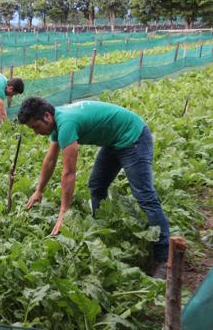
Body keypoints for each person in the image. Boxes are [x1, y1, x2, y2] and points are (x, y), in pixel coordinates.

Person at [17, 97, 170, 279]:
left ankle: (164, 259)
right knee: (96, 185)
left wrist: (63, 212)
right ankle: (101, 228)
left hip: (133, 137)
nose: (35, 132)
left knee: (144, 196)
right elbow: (50, 160)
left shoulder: (66, 123)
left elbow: (69, 172)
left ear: (47, 116)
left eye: (35, 127)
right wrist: (38, 190)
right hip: (113, 140)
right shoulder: (57, 121)